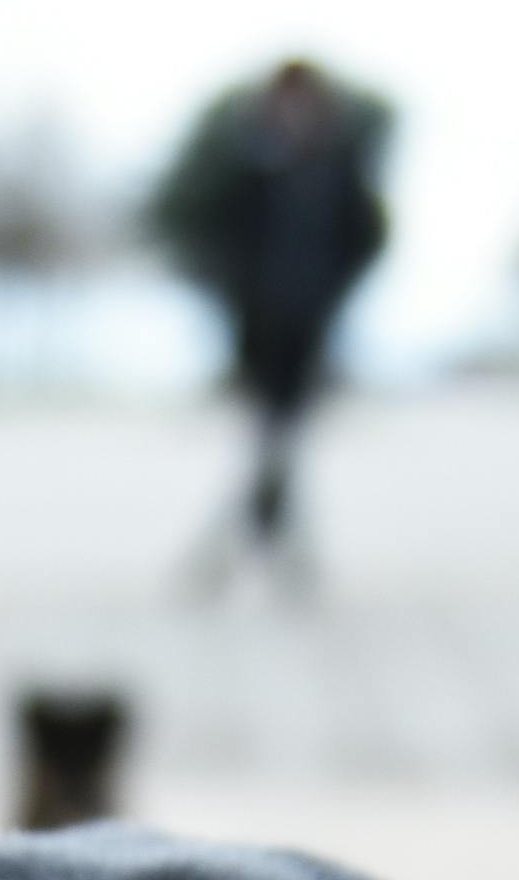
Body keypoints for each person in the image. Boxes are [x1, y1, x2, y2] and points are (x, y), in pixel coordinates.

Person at [166, 57, 390, 589]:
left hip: (309, 328)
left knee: (278, 440)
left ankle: (239, 550)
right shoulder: (247, 163)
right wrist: (229, 286)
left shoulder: (337, 166)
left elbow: (367, 236)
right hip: (256, 325)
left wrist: (333, 292)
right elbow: (207, 228)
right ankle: (271, 548)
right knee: (271, 439)